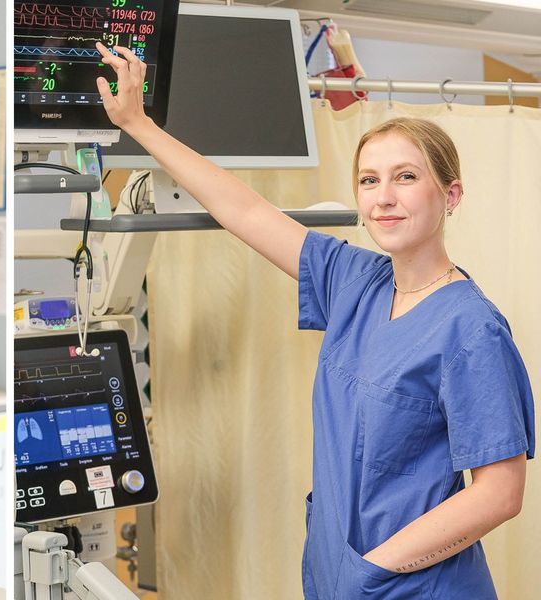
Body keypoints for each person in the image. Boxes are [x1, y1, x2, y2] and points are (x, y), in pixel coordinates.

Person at [93, 43, 533, 598]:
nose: (384, 199)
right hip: (338, 574)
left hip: (414, 585)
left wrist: (376, 570)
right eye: (369, 181)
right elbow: (246, 211)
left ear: (451, 194)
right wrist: (138, 125)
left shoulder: (471, 328)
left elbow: (499, 493)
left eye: (405, 177)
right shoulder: (354, 281)